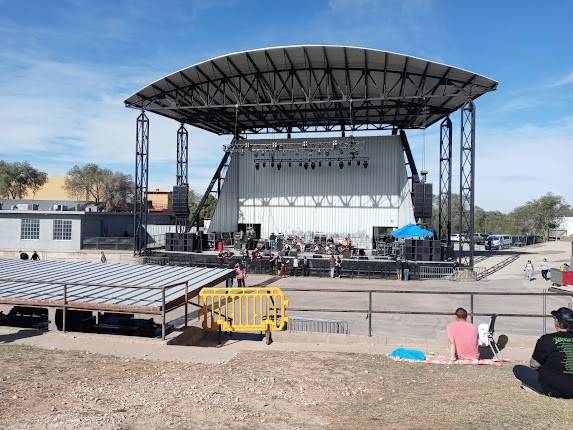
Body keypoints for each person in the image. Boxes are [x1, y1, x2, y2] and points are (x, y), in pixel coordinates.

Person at [513, 307, 573, 398]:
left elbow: (534, 365)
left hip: (551, 388)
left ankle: (537, 388)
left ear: (557, 322)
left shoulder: (546, 339)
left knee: (518, 369)